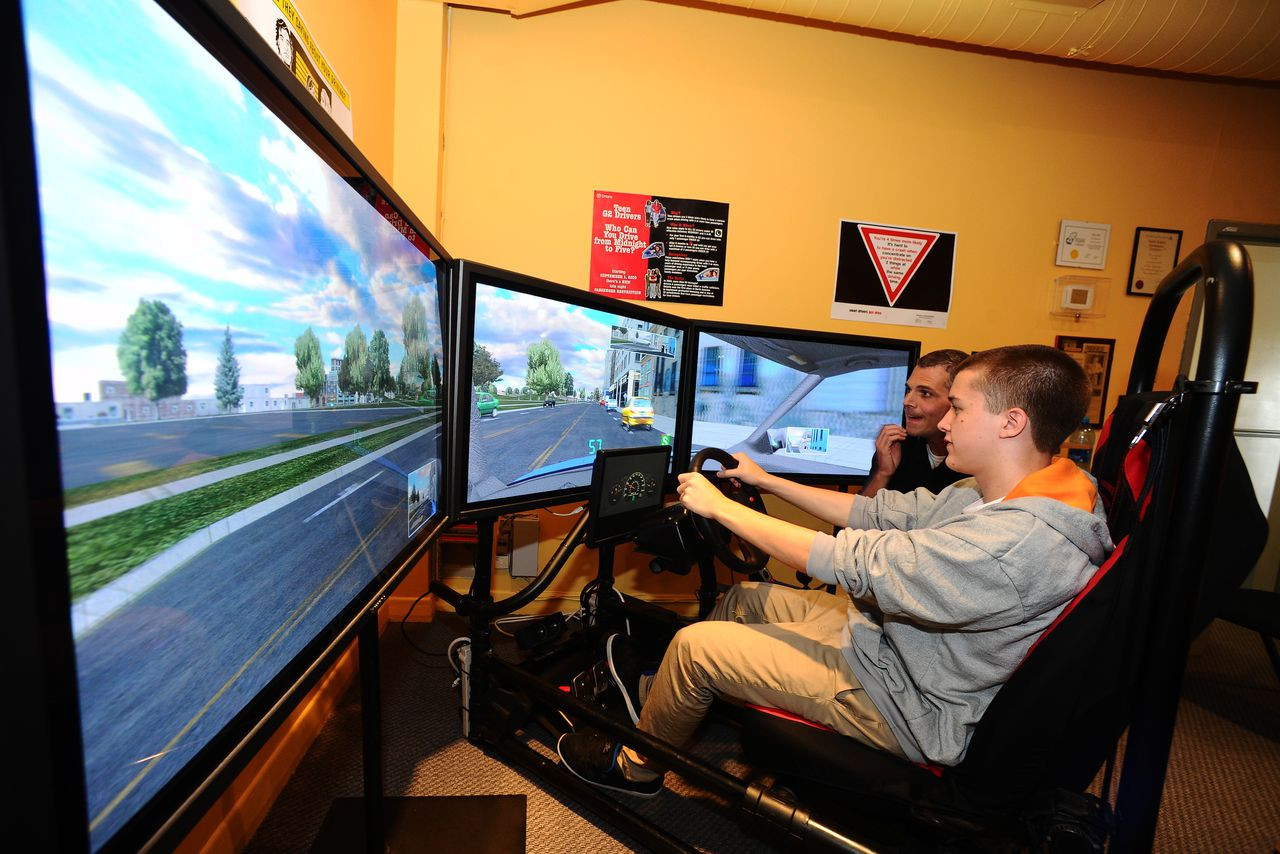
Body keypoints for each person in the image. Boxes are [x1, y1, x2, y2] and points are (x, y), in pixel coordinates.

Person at [556, 345, 1114, 796]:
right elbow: (875, 513)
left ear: (1011, 422)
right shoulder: (1000, 490)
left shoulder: (1014, 542)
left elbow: (849, 560)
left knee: (696, 646)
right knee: (744, 599)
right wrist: (765, 480)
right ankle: (677, 707)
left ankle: (636, 769)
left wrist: (719, 507)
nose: (944, 419)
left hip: (912, 704)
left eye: (959, 407)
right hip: (899, 647)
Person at [861, 348, 970, 498]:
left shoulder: (977, 460)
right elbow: (857, 517)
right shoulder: (897, 447)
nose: (907, 402)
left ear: (956, 402)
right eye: (908, 390)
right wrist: (883, 474)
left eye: (925, 393)